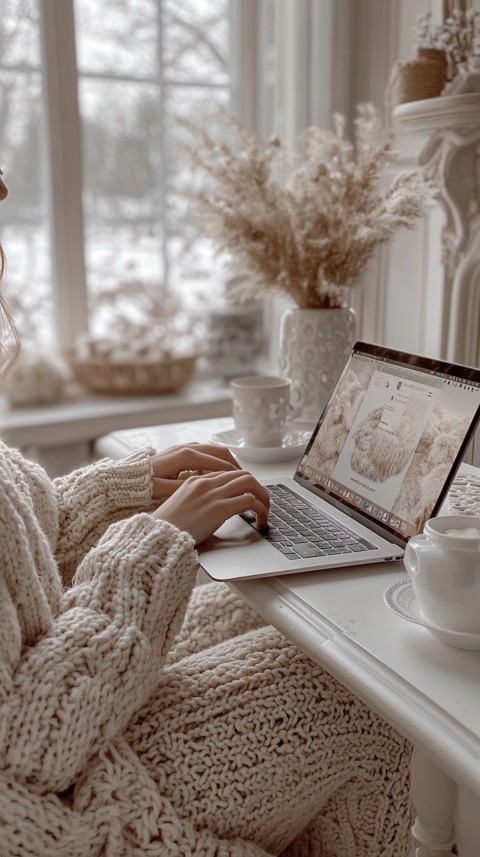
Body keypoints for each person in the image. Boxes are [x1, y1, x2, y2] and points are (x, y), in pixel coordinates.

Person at [0, 166, 413, 857]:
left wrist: (126, 486)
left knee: (261, 600)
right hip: (63, 801)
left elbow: (18, 543)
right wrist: (151, 540)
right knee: (368, 697)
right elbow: (32, 741)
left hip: (62, 736)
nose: (7, 185)